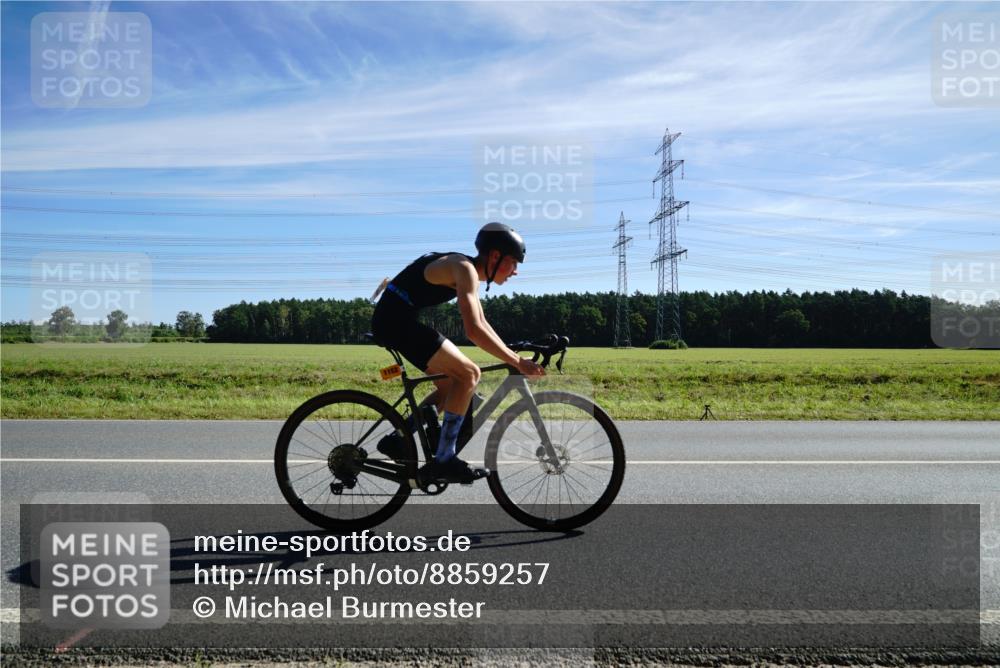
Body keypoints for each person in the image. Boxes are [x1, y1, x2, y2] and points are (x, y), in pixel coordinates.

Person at [370, 222, 545, 483]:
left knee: (451, 385)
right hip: (395, 322)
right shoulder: (464, 269)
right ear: (495, 256)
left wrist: (513, 354)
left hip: (396, 320)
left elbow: (482, 323)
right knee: (469, 374)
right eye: (513, 263)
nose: (516, 271)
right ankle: (444, 459)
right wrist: (517, 361)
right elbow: (473, 331)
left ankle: (398, 438)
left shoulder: (466, 271)